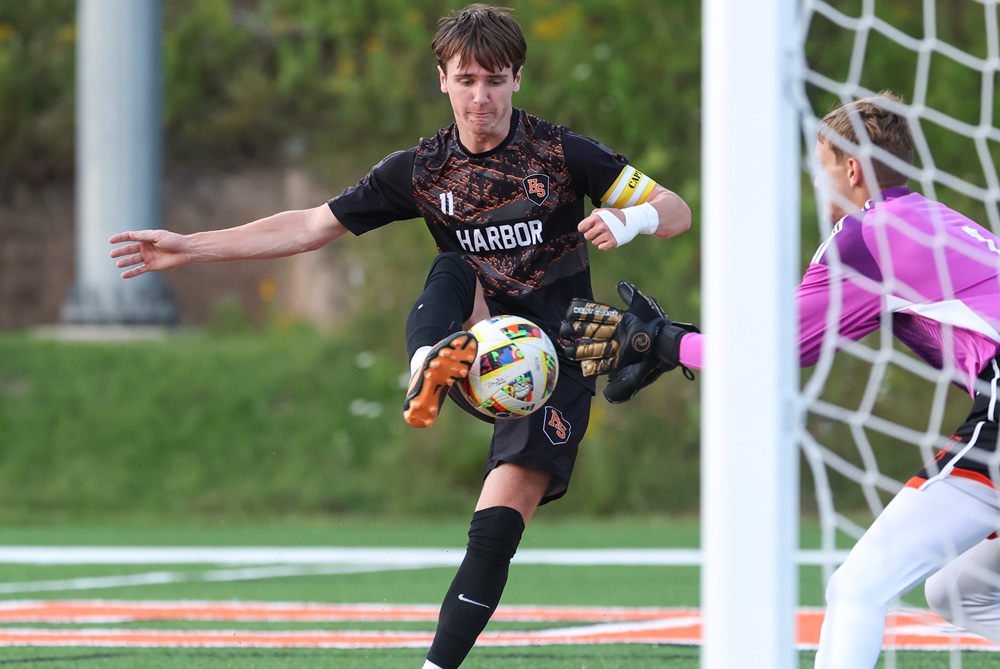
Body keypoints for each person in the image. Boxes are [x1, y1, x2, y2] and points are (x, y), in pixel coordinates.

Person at [109, 5, 691, 667]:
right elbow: (309, 225)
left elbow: (677, 210)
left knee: (496, 527)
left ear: (518, 79)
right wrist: (191, 246)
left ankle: (434, 666)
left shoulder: (561, 154)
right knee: (453, 264)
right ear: (442, 80)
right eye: (467, 79)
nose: (482, 96)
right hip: (476, 335)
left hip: (554, 364)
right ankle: (429, 362)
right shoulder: (422, 170)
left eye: (495, 80)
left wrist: (631, 220)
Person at [560, 91, 1000, 667]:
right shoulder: (942, 223)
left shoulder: (868, 235)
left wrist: (665, 342)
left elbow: (769, 356)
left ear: (851, 169)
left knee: (856, 588)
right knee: (961, 590)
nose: (820, 188)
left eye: (821, 170)